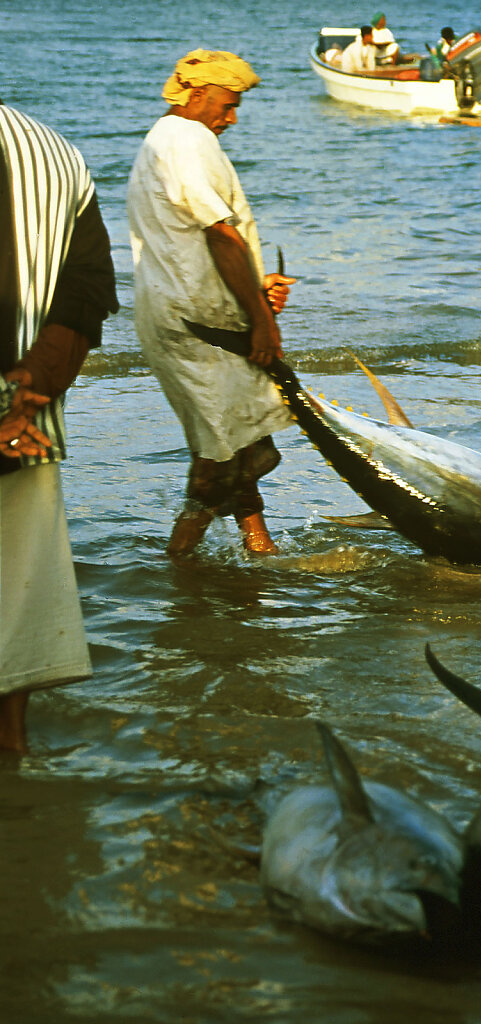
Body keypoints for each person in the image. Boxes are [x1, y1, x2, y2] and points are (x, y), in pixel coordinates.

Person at [127, 50, 297, 559]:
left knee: (233, 436)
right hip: (196, 326)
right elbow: (221, 237)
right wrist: (263, 321)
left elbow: (192, 245)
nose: (232, 118)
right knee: (219, 452)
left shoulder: (168, 140)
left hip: (187, 313)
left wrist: (254, 286)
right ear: (197, 96)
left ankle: (258, 543)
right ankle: (181, 555)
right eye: (227, 105)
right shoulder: (186, 140)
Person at [0, 101, 118, 753]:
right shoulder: (57, 153)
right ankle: (14, 751)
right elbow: (89, 291)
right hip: (30, 423)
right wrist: (29, 391)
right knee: (15, 603)